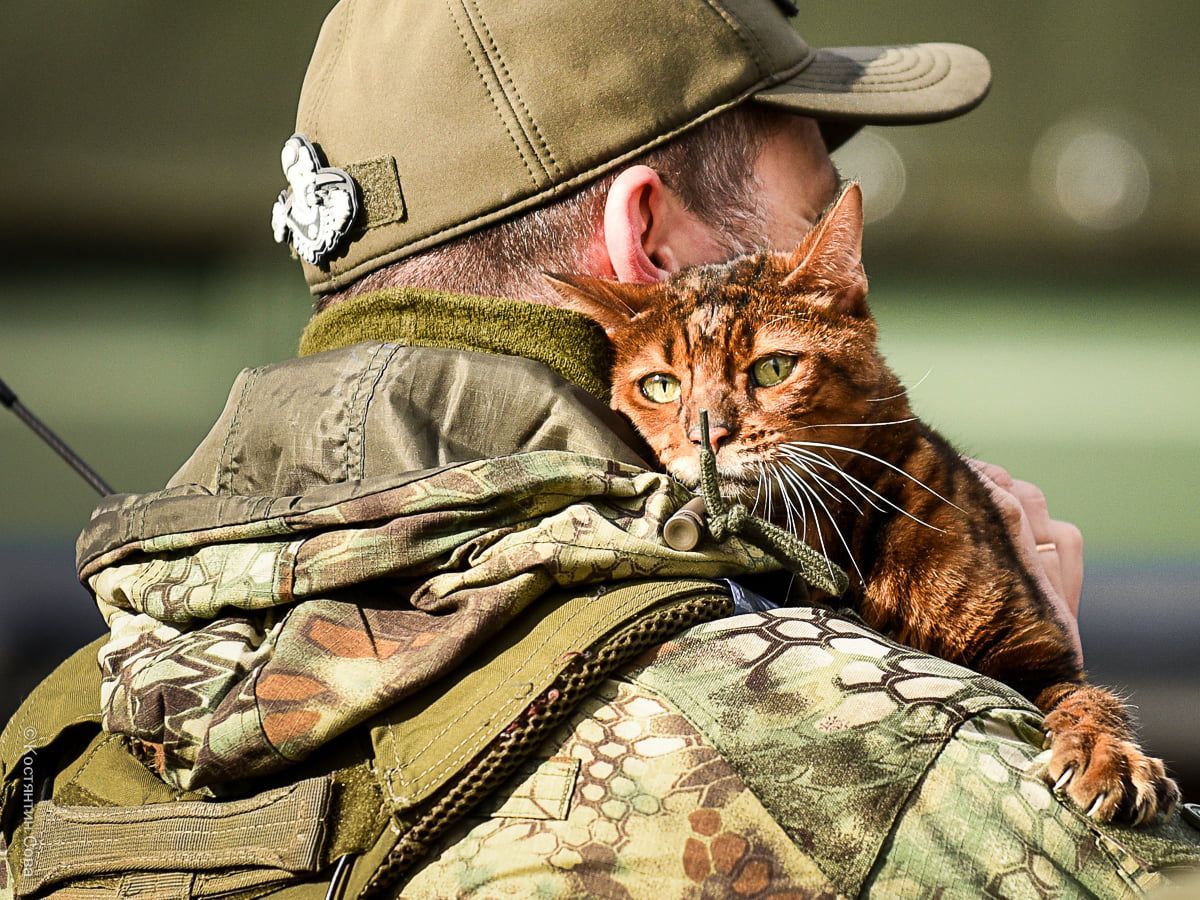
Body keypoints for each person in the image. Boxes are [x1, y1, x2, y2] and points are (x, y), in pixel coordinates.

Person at [2, 1, 1197, 897]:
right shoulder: (863, 745)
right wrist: (1004, 703)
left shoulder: (52, 746)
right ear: (649, 241)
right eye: (814, 203)